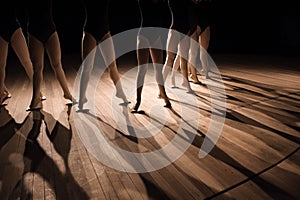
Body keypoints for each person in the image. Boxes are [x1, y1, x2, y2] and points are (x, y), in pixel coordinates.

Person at [78, 0, 130, 110]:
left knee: (112, 66)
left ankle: (120, 93)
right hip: (89, 31)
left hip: (104, 31)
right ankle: (81, 99)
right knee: (87, 67)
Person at [27, 0, 76, 110]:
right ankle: (35, 99)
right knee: (37, 68)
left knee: (57, 64)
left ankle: (67, 93)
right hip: (34, 32)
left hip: (50, 30)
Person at [132, 0, 172, 112]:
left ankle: (165, 97)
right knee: (142, 70)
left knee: (158, 70)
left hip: (156, 37)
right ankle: (138, 101)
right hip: (144, 35)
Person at [0, 1, 34, 105]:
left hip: (13, 27)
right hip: (1, 29)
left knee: (26, 61)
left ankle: (38, 92)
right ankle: (2, 92)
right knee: (1, 65)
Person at [162, 0, 194, 93]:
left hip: (186, 30)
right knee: (169, 59)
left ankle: (186, 83)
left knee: (184, 58)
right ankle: (161, 87)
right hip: (175, 30)